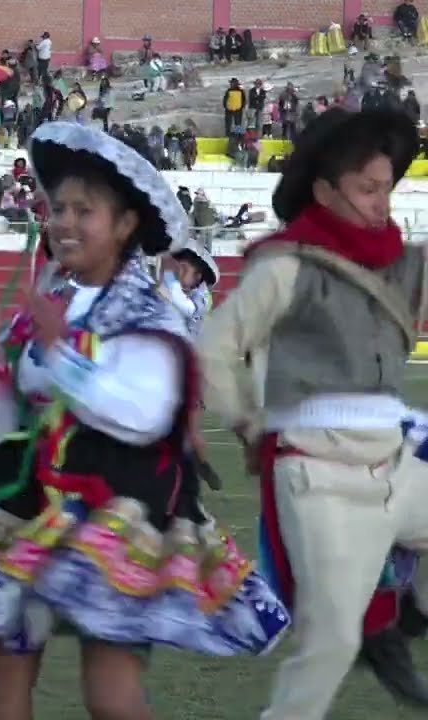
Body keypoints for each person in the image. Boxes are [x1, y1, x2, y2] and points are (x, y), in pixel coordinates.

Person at [0, 122, 289, 720]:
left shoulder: (151, 317)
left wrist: (61, 356)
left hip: (123, 510)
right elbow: (4, 430)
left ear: (124, 225)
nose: (64, 222)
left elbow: (141, 416)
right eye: (57, 208)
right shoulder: (53, 309)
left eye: (83, 210)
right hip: (36, 497)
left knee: (110, 691)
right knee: (5, 653)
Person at [197, 108, 428, 717]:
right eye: (367, 189)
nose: (382, 203)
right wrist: (247, 421)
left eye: (387, 189)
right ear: (325, 191)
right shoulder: (287, 266)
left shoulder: (405, 262)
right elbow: (214, 346)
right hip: (319, 475)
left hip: (393, 462)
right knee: (331, 644)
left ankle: (409, 616)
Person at [160, 240, 218, 337]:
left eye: (184, 268)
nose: (176, 271)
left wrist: (170, 278)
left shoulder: (201, 298)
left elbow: (188, 308)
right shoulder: (164, 287)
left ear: (197, 277)